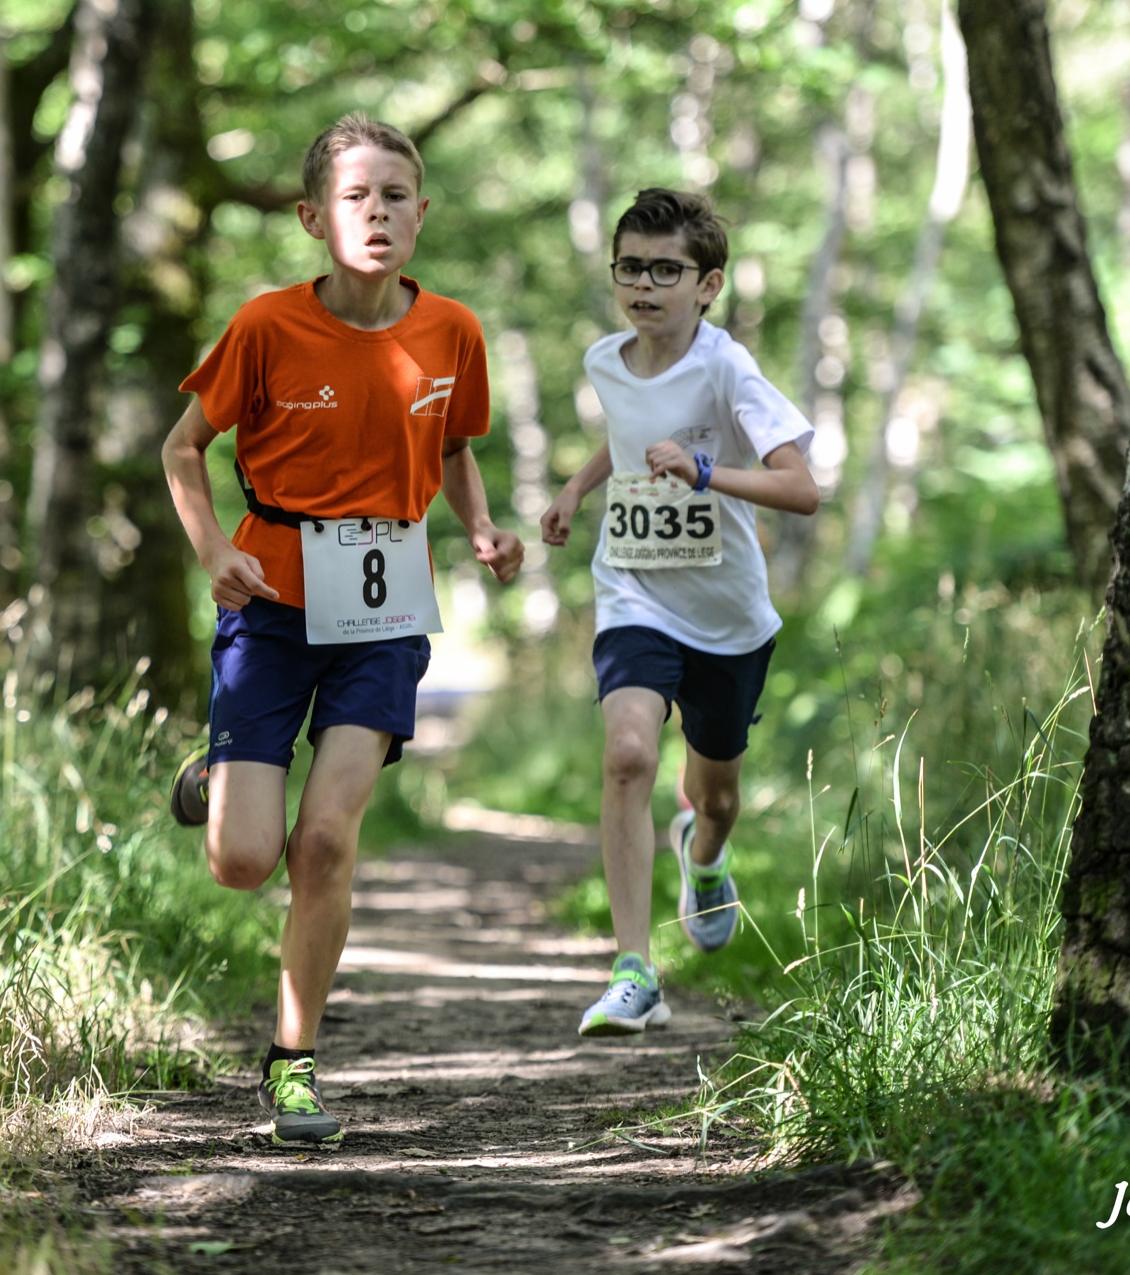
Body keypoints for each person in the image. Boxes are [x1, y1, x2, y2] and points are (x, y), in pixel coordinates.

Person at [160, 113, 524, 1145]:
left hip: (383, 607)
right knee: (243, 857)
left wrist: (483, 527)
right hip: (269, 604)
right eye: (355, 197)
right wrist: (210, 550)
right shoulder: (265, 327)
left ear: (421, 212)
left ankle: (293, 1061)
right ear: (313, 216)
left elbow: (453, 444)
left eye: (395, 195)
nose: (377, 213)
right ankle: (212, 781)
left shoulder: (450, 329)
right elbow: (181, 449)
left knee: (323, 840)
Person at [539, 188, 818, 1038]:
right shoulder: (603, 360)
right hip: (634, 589)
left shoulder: (729, 367)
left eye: (668, 269)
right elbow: (630, 432)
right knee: (627, 753)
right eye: (631, 267)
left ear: (708, 284)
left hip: (729, 615)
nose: (645, 284)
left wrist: (705, 472)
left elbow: (802, 488)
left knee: (718, 794)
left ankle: (703, 855)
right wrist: (576, 487)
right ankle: (634, 970)